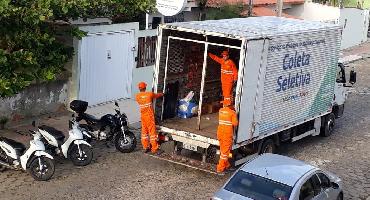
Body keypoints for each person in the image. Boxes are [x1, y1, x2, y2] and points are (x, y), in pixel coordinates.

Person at [135, 82, 164, 155]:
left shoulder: (137, 96)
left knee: (144, 132)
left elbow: (141, 101)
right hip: (149, 117)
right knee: (152, 133)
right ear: (145, 88)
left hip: (143, 117)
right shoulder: (149, 94)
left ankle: (145, 147)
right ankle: (155, 149)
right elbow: (156, 95)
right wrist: (162, 94)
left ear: (139, 88)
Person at [216, 100, 238, 173]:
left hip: (220, 133)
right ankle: (220, 168)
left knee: (223, 150)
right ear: (231, 105)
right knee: (225, 153)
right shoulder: (232, 113)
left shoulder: (220, 111)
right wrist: (235, 114)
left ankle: (227, 165)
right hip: (227, 135)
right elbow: (235, 124)